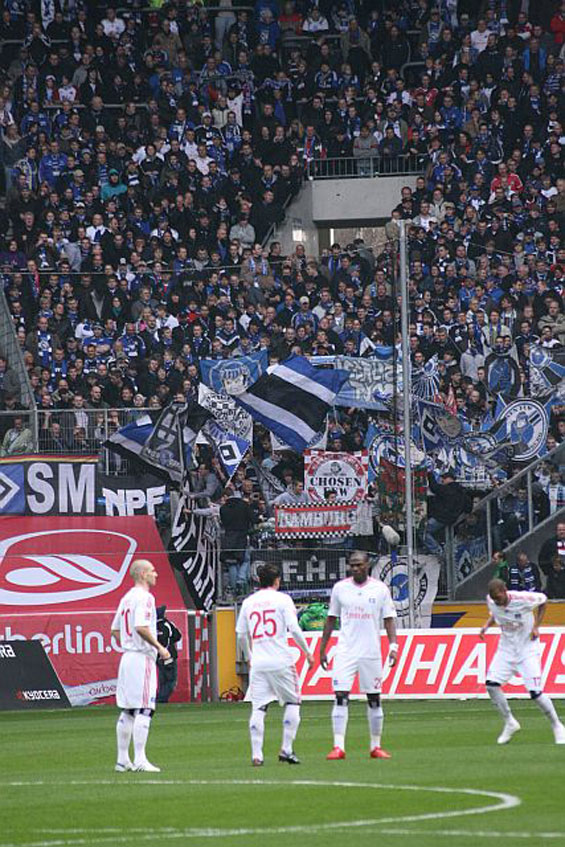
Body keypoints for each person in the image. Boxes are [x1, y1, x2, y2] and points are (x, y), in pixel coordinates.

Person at [319, 550, 398, 760]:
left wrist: (393, 646)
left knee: (374, 699)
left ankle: (375, 746)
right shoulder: (340, 588)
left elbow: (389, 618)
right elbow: (330, 619)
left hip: (370, 652)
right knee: (340, 696)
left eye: (359, 565)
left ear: (367, 565)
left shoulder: (380, 589)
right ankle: (338, 746)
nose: (355, 568)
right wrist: (323, 648)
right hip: (345, 651)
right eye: (352, 565)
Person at [236, 563, 315, 766]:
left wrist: (248, 656)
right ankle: (286, 749)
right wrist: (307, 652)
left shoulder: (249, 602)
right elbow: (294, 629)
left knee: (259, 708)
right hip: (281, 660)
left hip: (259, 662)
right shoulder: (283, 600)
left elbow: (241, 635)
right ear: (277, 580)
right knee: (292, 702)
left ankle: (257, 755)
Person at [480, 578, 565, 745]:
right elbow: (496, 614)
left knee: (536, 693)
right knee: (491, 685)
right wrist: (486, 626)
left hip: (527, 649)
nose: (499, 603)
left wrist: (536, 626)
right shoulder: (491, 601)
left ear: (505, 591)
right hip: (506, 650)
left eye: (500, 599)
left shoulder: (523, 599)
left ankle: (557, 726)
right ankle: (510, 722)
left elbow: (543, 601)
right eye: (496, 600)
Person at [111, 559, 171, 772]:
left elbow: (115, 629)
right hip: (140, 657)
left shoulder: (126, 597)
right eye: (153, 571)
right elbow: (141, 627)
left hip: (127, 657)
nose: (156, 574)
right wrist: (160, 647)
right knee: (145, 708)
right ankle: (140, 759)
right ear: (144, 574)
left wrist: (127, 644)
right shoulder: (145, 598)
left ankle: (121, 759)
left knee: (128, 709)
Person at [156, 605, 182, 703]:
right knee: (171, 681)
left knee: (163, 680)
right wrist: (165, 653)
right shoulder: (167, 624)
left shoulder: (151, 626)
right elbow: (177, 635)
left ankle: (162, 700)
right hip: (168, 656)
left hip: (157, 657)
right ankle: (161, 699)